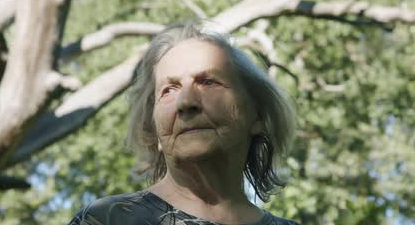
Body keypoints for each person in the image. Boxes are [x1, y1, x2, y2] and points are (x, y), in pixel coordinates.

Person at [68, 22, 299, 225]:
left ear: (257, 115)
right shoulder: (106, 220)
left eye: (208, 82)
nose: (186, 102)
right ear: (155, 129)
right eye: (168, 90)